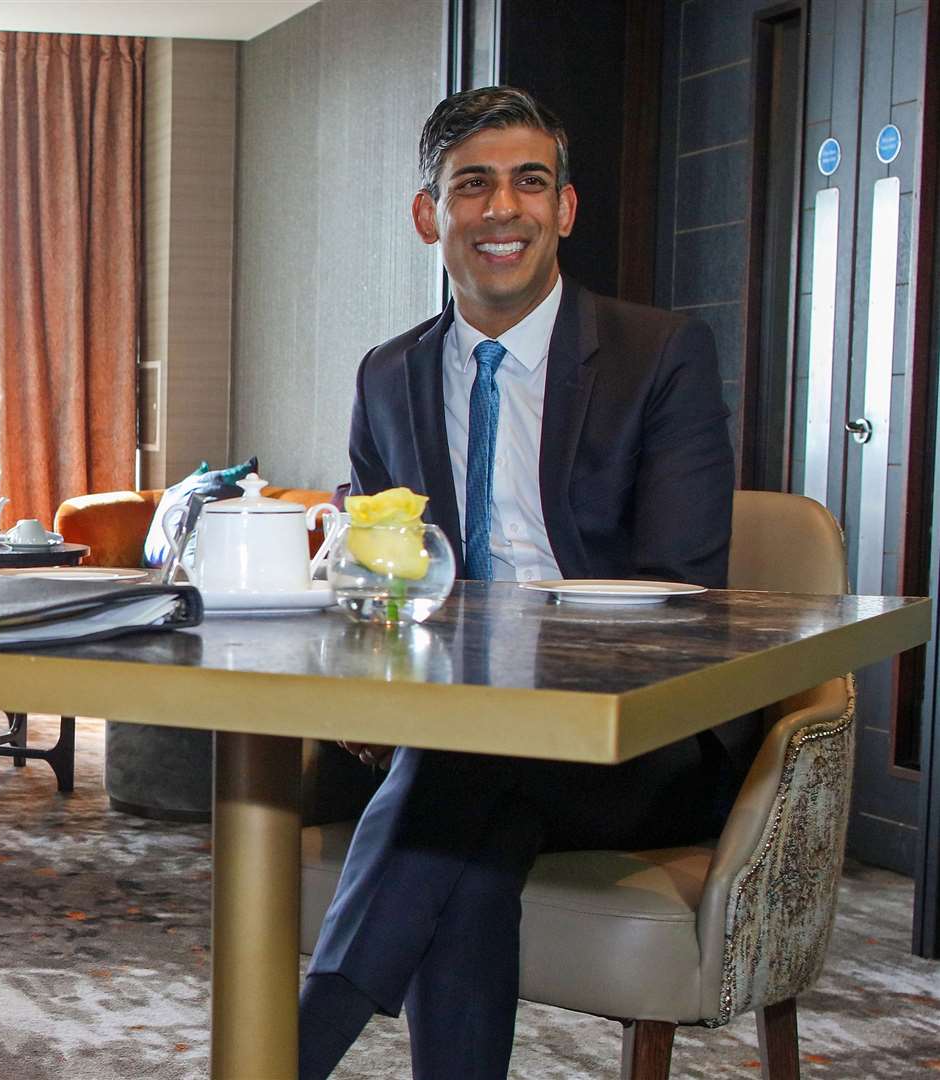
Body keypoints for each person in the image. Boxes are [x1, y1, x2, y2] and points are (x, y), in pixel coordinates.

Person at [299, 86, 739, 1079]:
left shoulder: (659, 355)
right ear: (429, 215)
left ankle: (293, 1048)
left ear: (565, 209)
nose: (504, 208)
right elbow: (381, 573)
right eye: (473, 186)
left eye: (529, 183)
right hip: (460, 740)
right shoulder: (388, 375)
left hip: (631, 745)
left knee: (451, 772)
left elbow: (680, 590)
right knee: (470, 851)